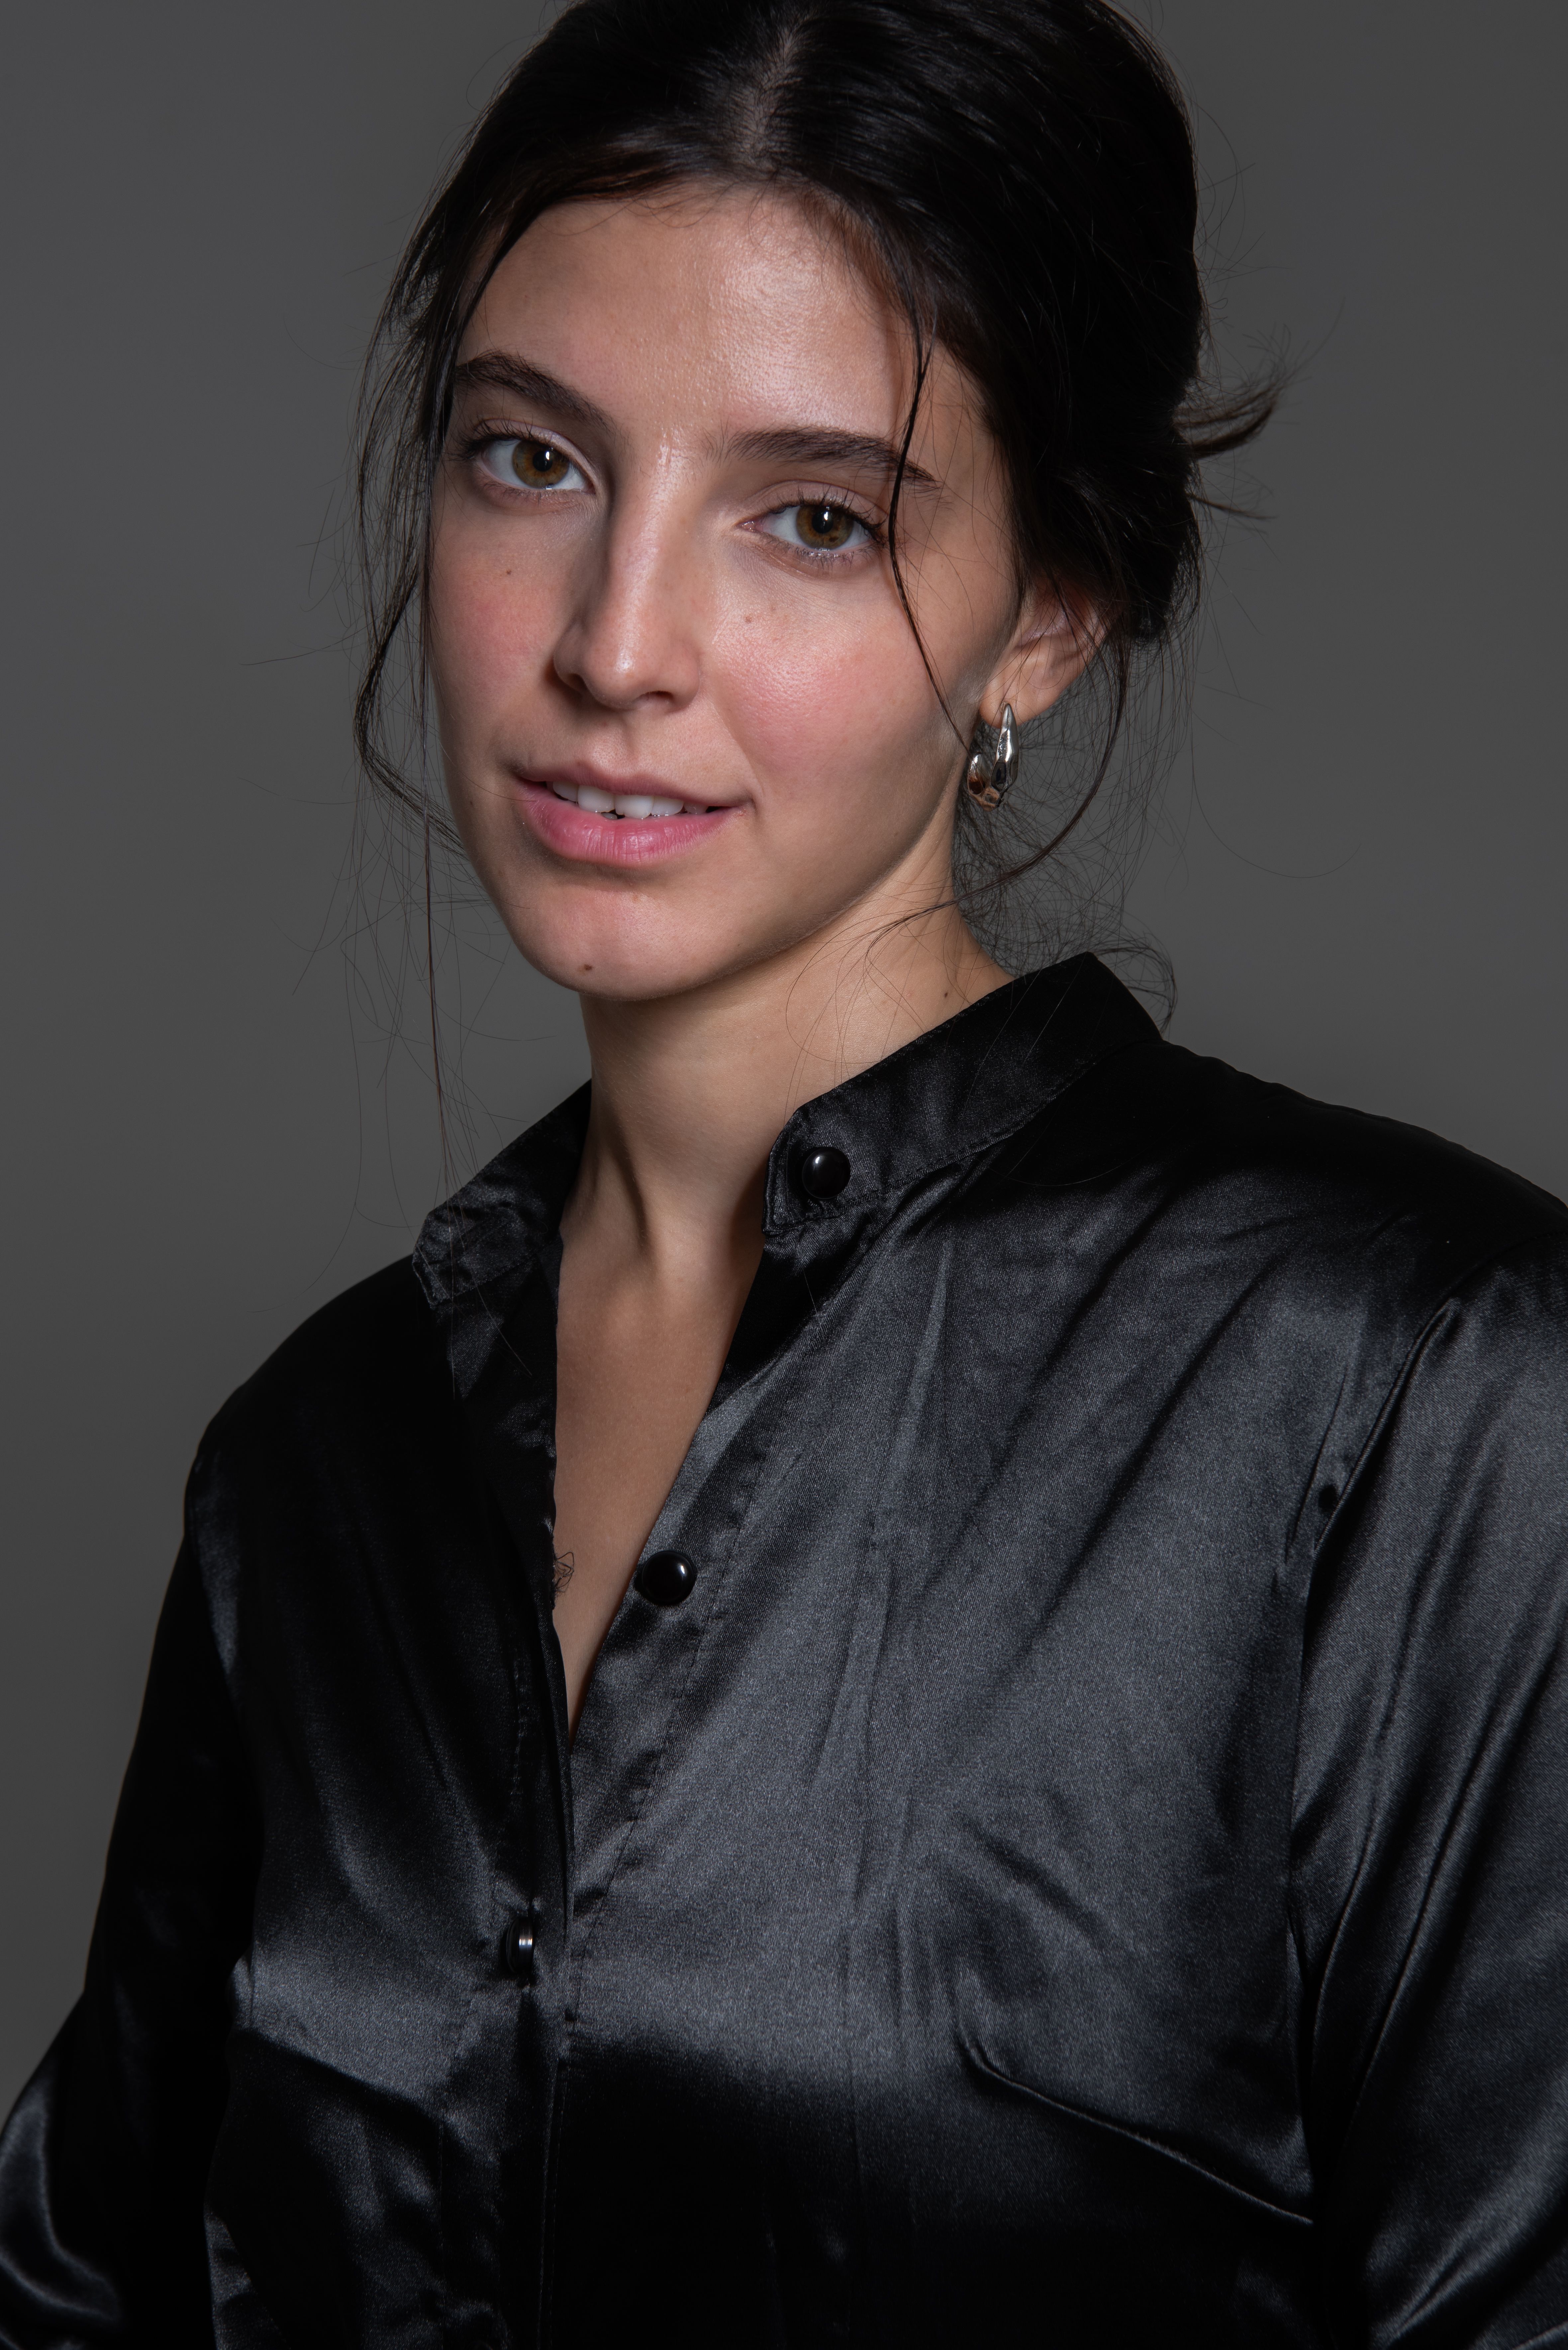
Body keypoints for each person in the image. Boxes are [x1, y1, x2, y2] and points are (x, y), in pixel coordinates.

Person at [3, 0, 1566, 2341]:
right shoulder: (317, 1466)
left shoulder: (1422, 1388)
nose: (617, 645)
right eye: (534, 461)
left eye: (814, 518)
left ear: (1049, 611)